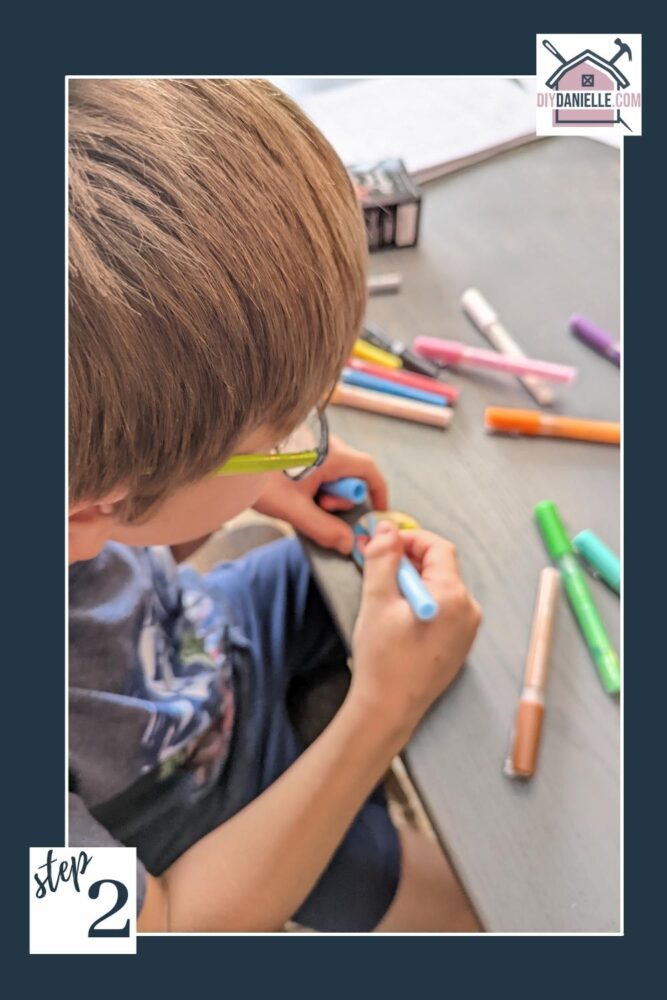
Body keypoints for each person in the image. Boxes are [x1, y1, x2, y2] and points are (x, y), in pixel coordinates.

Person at [68, 78, 482, 932]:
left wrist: (241, 478)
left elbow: (101, 572)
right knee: (478, 904)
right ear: (92, 505)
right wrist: (380, 714)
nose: (303, 438)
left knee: (425, 593)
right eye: (280, 430)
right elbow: (163, 934)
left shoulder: (66, 478)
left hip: (198, 642)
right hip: (200, 841)